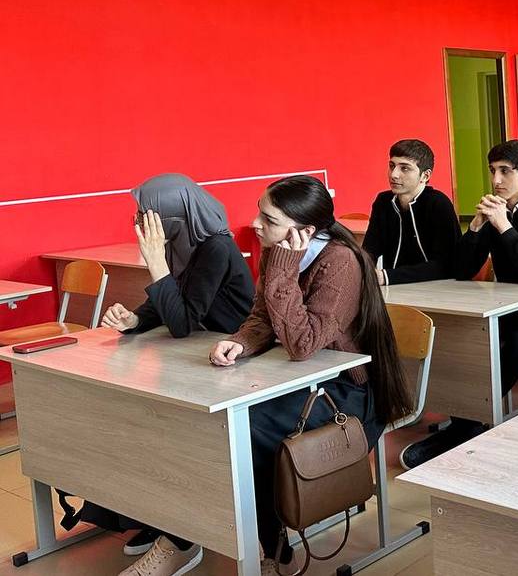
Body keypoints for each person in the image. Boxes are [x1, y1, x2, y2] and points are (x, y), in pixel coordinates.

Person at [120, 175, 414, 576]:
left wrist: (283, 270)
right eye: (260, 213)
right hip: (300, 381)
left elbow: (303, 343)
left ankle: (262, 546)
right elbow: (262, 317)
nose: (256, 224)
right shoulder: (280, 251)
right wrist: (240, 343)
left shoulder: (340, 262)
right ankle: (189, 535)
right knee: (210, 424)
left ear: (304, 230)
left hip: (347, 393)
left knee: (244, 430)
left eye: (269, 219)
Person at [93, 174, 255, 562]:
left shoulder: (216, 248)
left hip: (236, 362)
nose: (139, 223)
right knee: (140, 419)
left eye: (146, 215)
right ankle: (161, 514)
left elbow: (182, 323)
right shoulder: (183, 244)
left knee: (170, 431)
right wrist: (135, 319)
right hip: (199, 357)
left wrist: (154, 261)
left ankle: (182, 527)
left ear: (174, 216)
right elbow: (169, 304)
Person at [399, 140, 518, 469]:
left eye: (505, 172)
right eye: (493, 171)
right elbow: (462, 270)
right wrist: (477, 228)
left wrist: (504, 225)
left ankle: (467, 425)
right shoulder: (495, 209)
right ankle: (465, 415)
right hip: (508, 305)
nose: (496, 180)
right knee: (465, 337)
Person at [362, 139, 460, 285]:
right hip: (393, 289)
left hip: (438, 288)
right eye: (392, 166)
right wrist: (364, 271)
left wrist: (386, 276)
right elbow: (370, 250)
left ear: (425, 176)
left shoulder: (439, 204)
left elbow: (447, 265)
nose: (394, 174)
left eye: (405, 168)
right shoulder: (383, 202)